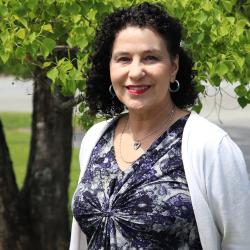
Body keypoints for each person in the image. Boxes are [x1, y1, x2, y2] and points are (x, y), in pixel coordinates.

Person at [70, 2, 250, 250]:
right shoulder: (95, 139)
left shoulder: (211, 146)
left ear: (173, 67)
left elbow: (241, 240)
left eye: (150, 58)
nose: (135, 72)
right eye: (123, 59)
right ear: (109, 68)